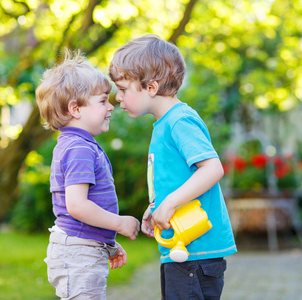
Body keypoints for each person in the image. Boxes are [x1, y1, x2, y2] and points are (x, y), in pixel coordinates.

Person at [109, 34, 237, 300]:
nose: (117, 97)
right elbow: (178, 178)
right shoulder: (165, 123)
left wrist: (170, 203)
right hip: (182, 250)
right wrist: (157, 206)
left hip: (194, 252)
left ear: (151, 87)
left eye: (122, 89)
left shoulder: (179, 121)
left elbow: (213, 168)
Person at [35, 49, 140, 300]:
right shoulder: (80, 148)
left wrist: (108, 243)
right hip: (77, 254)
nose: (111, 107)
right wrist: (119, 223)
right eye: (103, 101)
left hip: (81, 249)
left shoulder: (77, 144)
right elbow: (77, 206)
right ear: (75, 108)